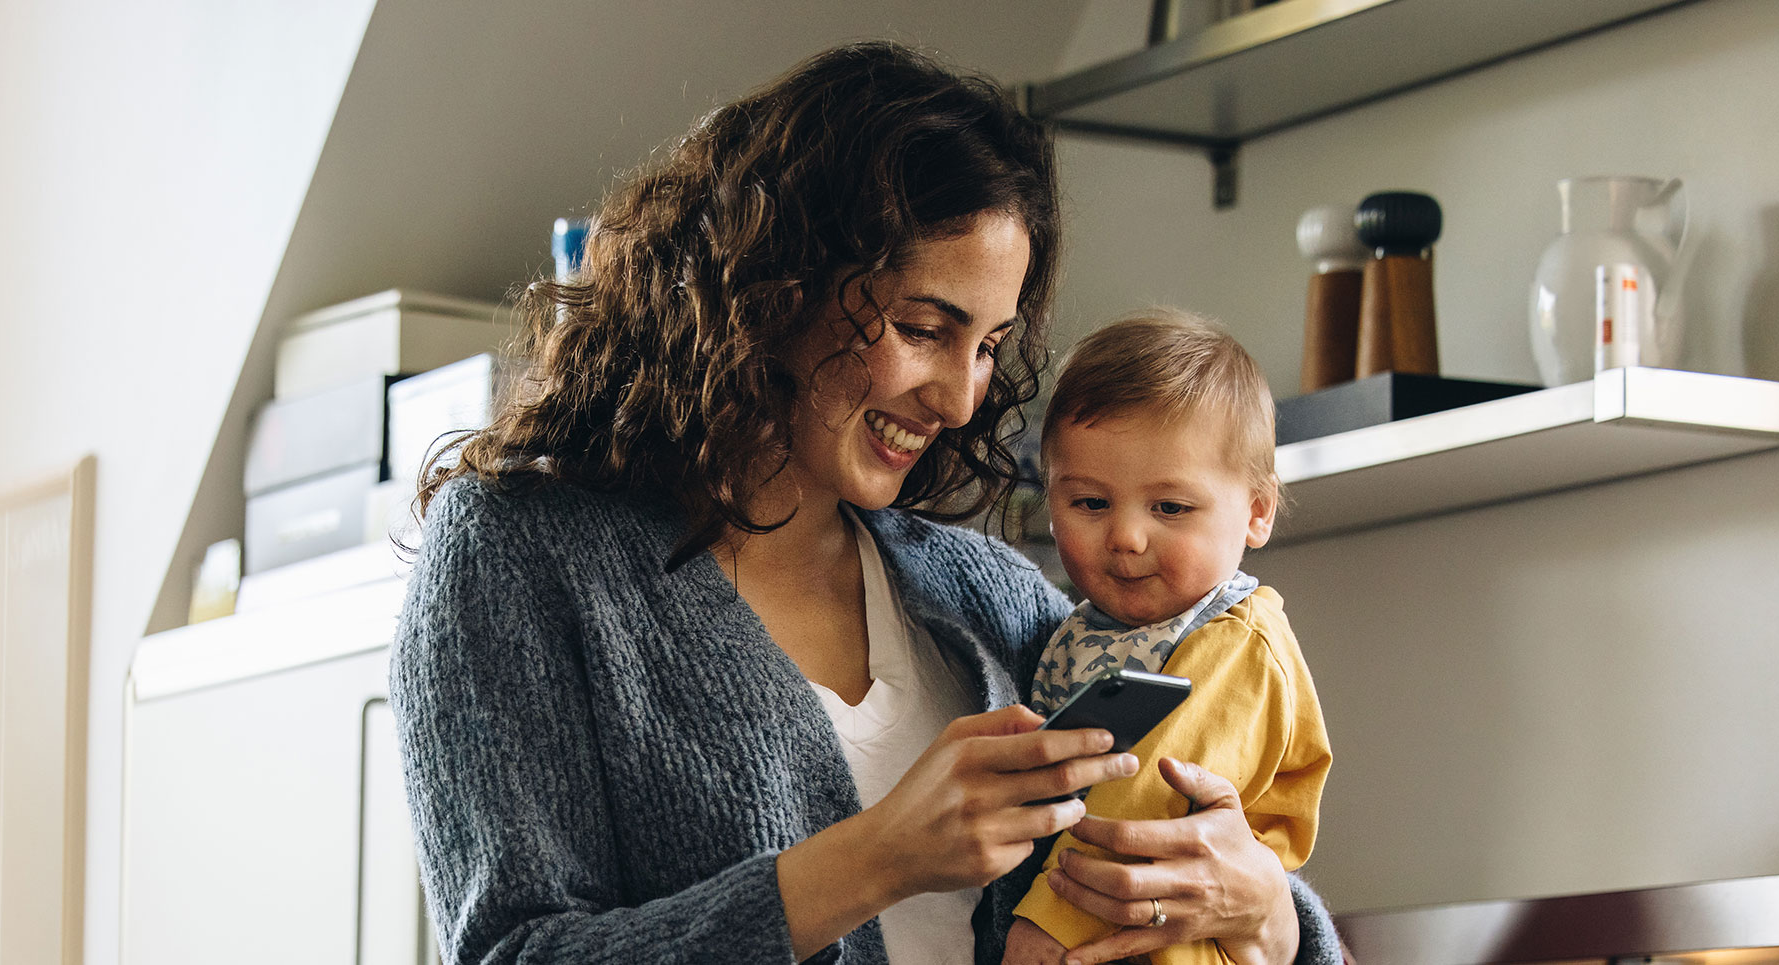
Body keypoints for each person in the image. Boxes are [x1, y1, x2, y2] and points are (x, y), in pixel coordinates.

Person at [390, 42, 1344, 965]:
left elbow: (1198, 881)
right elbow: (518, 951)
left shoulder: (992, 597)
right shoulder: (518, 553)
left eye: (986, 346)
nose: (965, 398)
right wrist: (879, 854)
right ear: (773, 285)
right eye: (926, 328)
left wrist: (1270, 915)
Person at [1002, 310, 1334, 965]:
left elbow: (1150, 794)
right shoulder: (1080, 629)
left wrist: (1048, 928)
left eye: (1171, 508)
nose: (1126, 536)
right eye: (1090, 503)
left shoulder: (1238, 640)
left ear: (1257, 511)